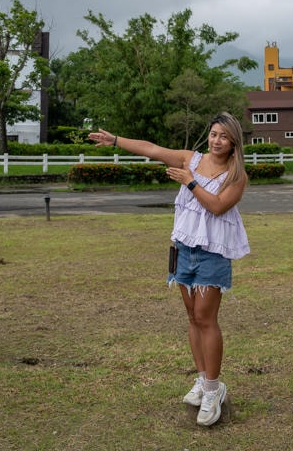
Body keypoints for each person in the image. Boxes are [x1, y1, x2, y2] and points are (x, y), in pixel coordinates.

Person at [88, 112, 250, 427]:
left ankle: (215, 390)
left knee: (206, 318)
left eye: (223, 137)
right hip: (183, 248)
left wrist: (189, 181)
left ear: (234, 143)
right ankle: (203, 381)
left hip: (212, 253)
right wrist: (115, 140)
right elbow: (152, 149)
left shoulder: (235, 175)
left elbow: (217, 206)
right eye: (213, 134)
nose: (216, 141)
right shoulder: (191, 157)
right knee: (192, 317)